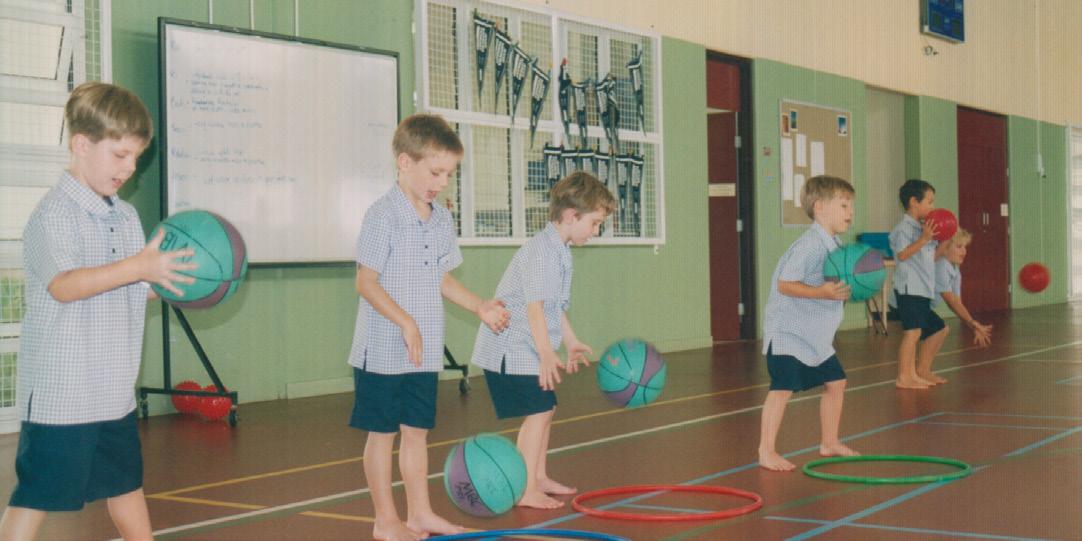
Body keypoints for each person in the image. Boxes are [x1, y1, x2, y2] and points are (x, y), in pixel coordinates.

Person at [0, 82, 197, 540]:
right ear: (81, 145)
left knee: (125, 485)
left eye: (136, 157)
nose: (130, 168)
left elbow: (128, 286)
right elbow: (65, 286)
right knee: (37, 495)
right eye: (120, 154)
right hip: (63, 395)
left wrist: (167, 282)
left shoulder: (125, 217)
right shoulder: (53, 215)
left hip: (112, 391)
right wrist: (138, 267)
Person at [347, 113, 510, 541]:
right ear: (405, 162)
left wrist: (479, 306)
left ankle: (418, 514)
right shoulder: (382, 215)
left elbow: (441, 277)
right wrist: (405, 322)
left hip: (421, 350)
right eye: (436, 172)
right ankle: (385, 521)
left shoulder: (440, 220)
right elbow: (366, 282)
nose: (443, 182)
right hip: (382, 349)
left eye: (449, 174)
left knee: (416, 432)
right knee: (382, 435)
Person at [471, 171, 615, 508]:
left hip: (529, 345)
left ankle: (538, 476)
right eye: (594, 223)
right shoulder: (541, 252)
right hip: (510, 348)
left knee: (547, 409)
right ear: (571, 216)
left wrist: (571, 341)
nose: (596, 231)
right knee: (537, 412)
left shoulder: (560, 251)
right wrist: (547, 353)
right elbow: (534, 308)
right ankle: (524, 489)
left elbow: (554, 308)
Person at [758, 175, 859, 472]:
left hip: (815, 336)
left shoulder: (834, 244)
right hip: (789, 332)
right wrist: (822, 293)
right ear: (819, 207)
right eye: (843, 205)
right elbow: (784, 284)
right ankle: (766, 451)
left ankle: (829, 442)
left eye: (851, 206)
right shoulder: (811, 245)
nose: (850, 212)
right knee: (782, 388)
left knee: (836, 382)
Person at [889, 179, 949, 389]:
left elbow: (932, 257)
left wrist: (945, 240)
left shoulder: (924, 229)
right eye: (929, 202)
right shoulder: (903, 228)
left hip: (923, 290)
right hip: (909, 289)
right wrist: (924, 239)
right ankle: (904, 377)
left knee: (939, 329)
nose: (933, 206)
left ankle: (922, 370)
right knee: (913, 332)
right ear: (914, 202)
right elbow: (902, 254)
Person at [935, 229, 992, 353]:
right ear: (944, 249)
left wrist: (972, 326)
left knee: (938, 331)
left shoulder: (955, 270)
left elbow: (957, 302)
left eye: (965, 247)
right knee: (937, 330)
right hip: (907, 304)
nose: (964, 251)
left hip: (923, 307)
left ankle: (922, 365)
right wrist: (972, 322)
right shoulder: (941, 266)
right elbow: (951, 301)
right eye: (959, 247)